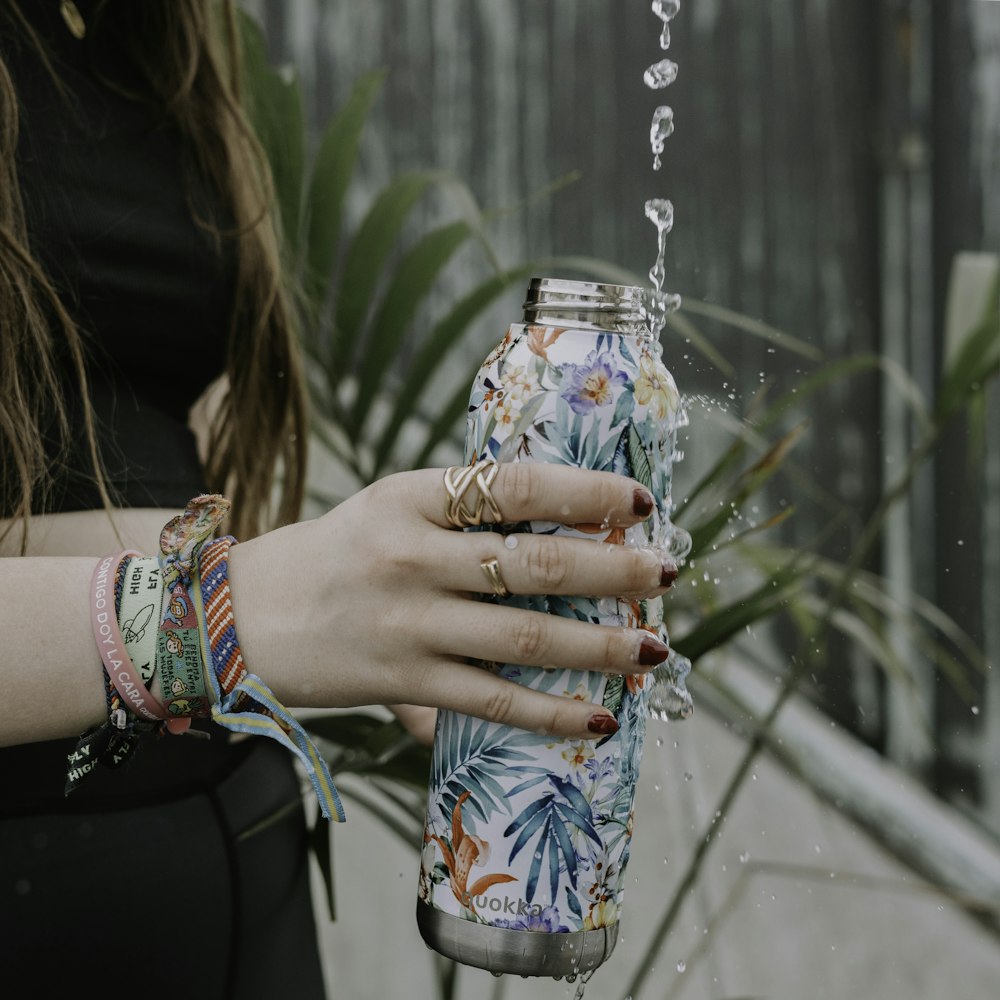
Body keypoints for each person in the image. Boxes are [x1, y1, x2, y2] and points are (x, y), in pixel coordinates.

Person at [0, 2, 675, 995]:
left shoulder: (152, 34)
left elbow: (123, 456)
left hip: (239, 852)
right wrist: (225, 613)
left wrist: (389, 597)